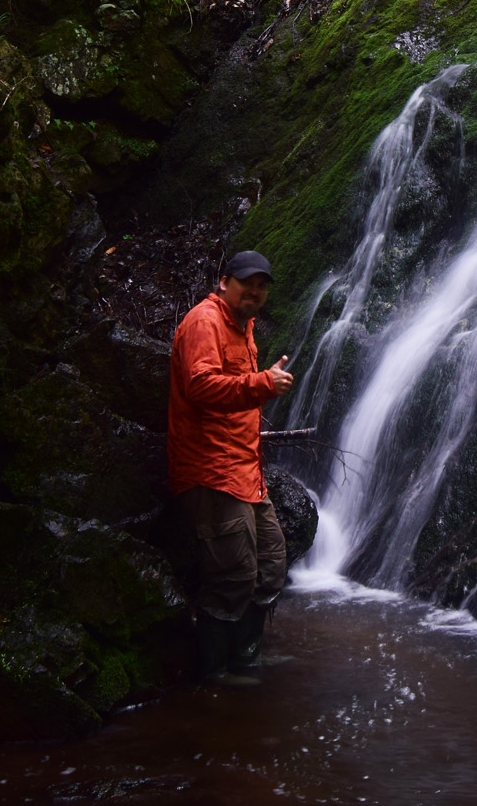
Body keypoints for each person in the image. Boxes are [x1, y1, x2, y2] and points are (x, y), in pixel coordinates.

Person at [167, 249, 295, 686]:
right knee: (232, 576)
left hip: (245, 473)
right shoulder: (205, 322)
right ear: (225, 282)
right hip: (211, 471)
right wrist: (261, 384)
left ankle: (246, 657)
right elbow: (200, 385)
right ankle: (215, 675)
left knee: (272, 564)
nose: (255, 292)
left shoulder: (245, 327)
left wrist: (259, 383)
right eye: (247, 283)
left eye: (261, 286)